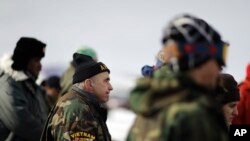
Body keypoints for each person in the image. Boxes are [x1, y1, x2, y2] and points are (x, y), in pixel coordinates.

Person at [127, 14, 229, 141]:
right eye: (218, 61)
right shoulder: (193, 115)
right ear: (198, 61)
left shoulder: (149, 107)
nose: (219, 69)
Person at [41, 53, 113, 141]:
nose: (110, 87)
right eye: (106, 81)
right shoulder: (77, 109)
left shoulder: (84, 105)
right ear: (89, 84)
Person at [0, 37, 49, 141]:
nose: (40, 66)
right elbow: (20, 122)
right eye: (36, 60)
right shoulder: (7, 85)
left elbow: (44, 117)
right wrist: (50, 136)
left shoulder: (34, 88)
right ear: (25, 61)